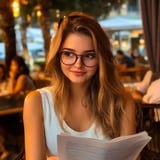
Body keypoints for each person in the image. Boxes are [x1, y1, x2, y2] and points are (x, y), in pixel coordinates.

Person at [23, 11, 136, 160]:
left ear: (101, 59)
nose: (78, 65)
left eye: (89, 55)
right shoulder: (36, 102)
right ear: (58, 56)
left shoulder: (122, 103)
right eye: (69, 54)